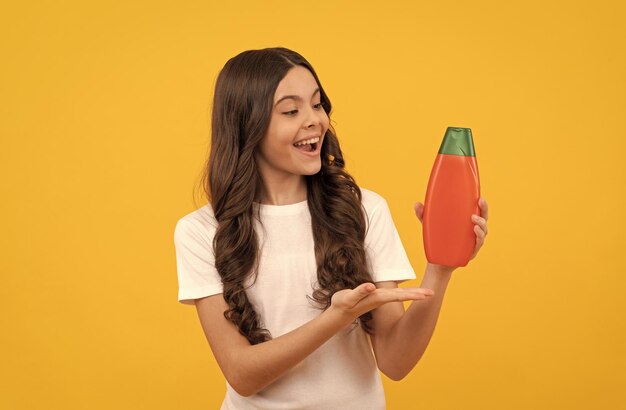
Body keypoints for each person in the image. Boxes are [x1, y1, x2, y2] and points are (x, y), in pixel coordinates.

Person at [174, 47, 489, 409]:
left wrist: (440, 269)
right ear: (248, 126)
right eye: (291, 110)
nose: (314, 121)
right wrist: (336, 318)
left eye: (317, 104)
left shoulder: (363, 209)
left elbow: (395, 362)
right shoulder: (200, 231)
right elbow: (242, 374)